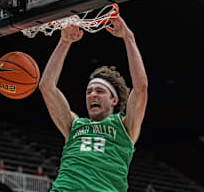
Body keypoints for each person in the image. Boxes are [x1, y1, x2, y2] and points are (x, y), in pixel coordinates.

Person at [39, 15, 148, 191]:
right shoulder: (74, 124)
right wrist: (65, 42)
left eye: (99, 91)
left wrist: (129, 38)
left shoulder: (125, 127)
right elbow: (46, 87)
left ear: (114, 99)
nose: (92, 95)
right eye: (89, 92)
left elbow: (141, 88)